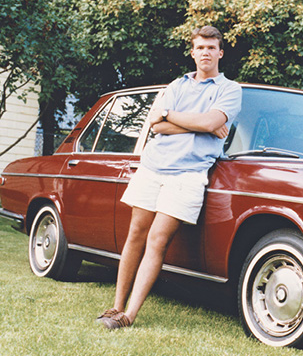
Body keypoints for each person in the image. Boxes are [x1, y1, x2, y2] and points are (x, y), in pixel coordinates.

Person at [97, 26, 242, 329]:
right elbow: (156, 125)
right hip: (153, 167)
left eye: (211, 47)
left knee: (157, 239)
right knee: (135, 233)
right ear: (192, 52)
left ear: (220, 53)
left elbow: (206, 121)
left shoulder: (229, 89)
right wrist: (199, 124)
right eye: (200, 47)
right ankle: (115, 306)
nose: (205, 52)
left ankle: (128, 315)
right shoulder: (178, 84)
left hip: (188, 174)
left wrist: (172, 116)